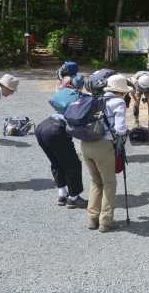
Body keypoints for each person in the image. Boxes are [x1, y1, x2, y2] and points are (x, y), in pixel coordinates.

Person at [82, 74, 131, 233]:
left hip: (85, 144)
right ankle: (106, 221)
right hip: (103, 146)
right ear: (121, 91)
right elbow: (121, 129)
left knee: (96, 181)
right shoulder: (118, 102)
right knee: (109, 183)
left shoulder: (94, 98)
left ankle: (92, 218)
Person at [35, 75, 87, 209]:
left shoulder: (63, 92)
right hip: (57, 130)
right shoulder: (81, 98)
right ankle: (73, 197)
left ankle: (62, 194)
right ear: (81, 86)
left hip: (42, 127)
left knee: (56, 162)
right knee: (73, 164)